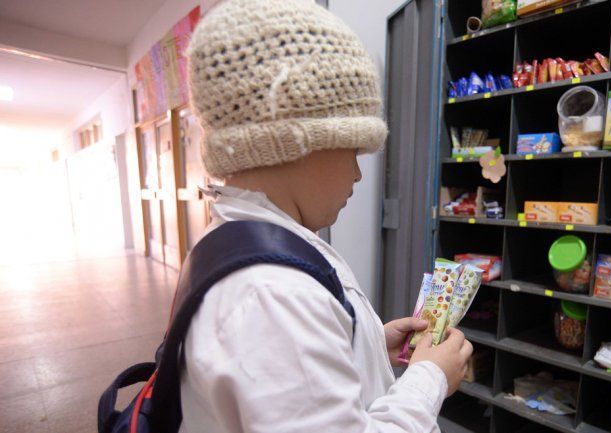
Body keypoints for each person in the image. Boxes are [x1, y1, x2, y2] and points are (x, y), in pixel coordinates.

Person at [179, 0, 473, 432]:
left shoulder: (239, 240)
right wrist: (430, 379)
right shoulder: (274, 295)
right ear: (297, 140)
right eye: (352, 149)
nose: (357, 174)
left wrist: (365, 344)